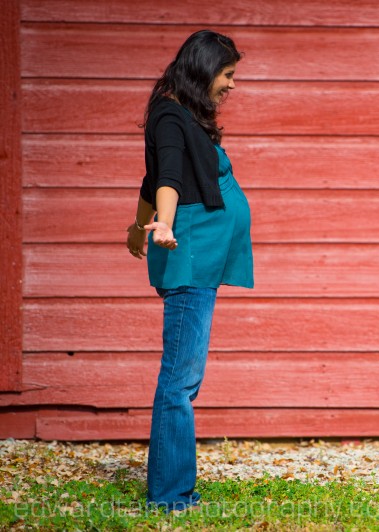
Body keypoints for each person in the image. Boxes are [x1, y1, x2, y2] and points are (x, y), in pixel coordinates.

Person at [125, 29, 253, 512]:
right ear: (204, 69)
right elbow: (170, 179)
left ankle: (174, 489)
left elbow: (153, 174)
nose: (232, 85)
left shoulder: (179, 116)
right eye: (228, 75)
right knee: (179, 381)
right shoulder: (170, 117)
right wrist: (162, 224)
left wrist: (138, 227)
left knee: (184, 378)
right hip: (189, 255)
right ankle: (170, 497)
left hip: (200, 253)